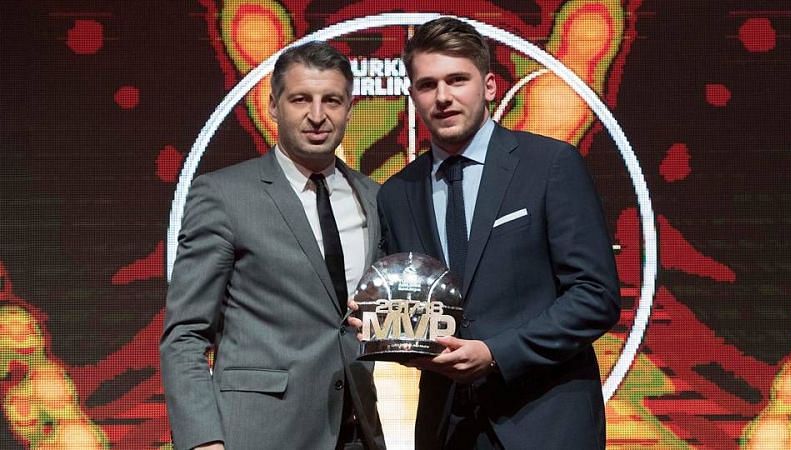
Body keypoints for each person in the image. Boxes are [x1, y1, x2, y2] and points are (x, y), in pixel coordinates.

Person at [375, 18, 621, 449]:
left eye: (457, 80)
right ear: (413, 96)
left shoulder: (548, 165)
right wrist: (385, 333)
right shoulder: (398, 193)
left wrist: (495, 354)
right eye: (427, 84)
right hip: (447, 430)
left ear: (489, 86)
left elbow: (595, 296)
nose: (443, 97)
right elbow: (416, 316)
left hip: (546, 424)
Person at [160, 41, 385, 450]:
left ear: (349, 110)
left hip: (356, 432)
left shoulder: (371, 196)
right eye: (300, 99)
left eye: (331, 100)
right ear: (274, 107)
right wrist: (202, 441)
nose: (317, 115)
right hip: (258, 434)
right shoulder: (224, 196)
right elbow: (185, 335)